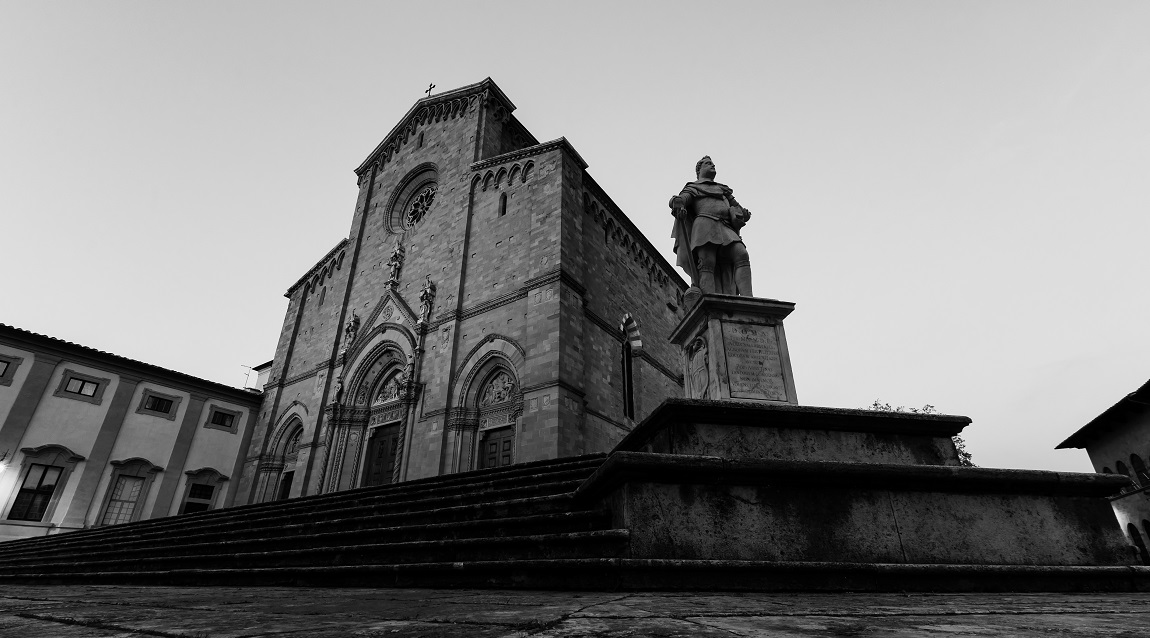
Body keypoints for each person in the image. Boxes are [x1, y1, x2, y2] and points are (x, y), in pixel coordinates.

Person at [669, 156, 753, 297]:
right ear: (699, 170)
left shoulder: (723, 190)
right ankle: (709, 302)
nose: (713, 166)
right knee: (707, 262)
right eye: (708, 164)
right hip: (704, 225)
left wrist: (743, 213)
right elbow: (683, 199)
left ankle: (748, 299)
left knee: (742, 255)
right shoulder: (693, 187)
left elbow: (737, 206)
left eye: (713, 164)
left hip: (726, 227)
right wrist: (676, 202)